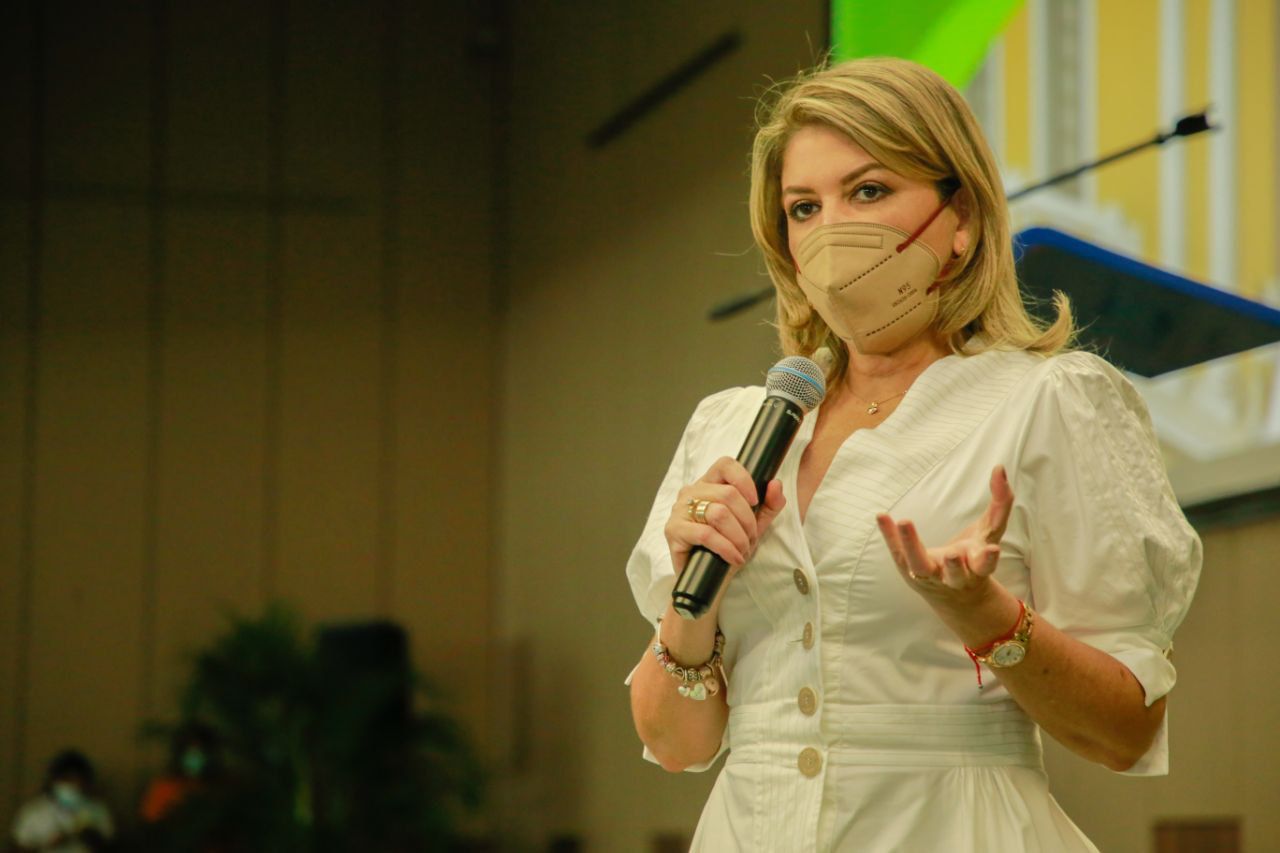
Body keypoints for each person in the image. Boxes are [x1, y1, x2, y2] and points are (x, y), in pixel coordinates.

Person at [625, 57, 1201, 851]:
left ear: (959, 217)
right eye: (803, 207)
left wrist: (987, 616)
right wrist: (690, 609)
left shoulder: (1049, 403)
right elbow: (676, 745)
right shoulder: (731, 426)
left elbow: (1124, 734)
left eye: (867, 191)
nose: (831, 231)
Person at [10, 749, 114, 853]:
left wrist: (87, 835)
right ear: (53, 780)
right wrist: (47, 844)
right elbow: (18, 847)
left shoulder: (97, 810)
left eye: (78, 780)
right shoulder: (34, 811)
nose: (74, 785)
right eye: (67, 779)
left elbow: (109, 846)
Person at [139, 723, 223, 823]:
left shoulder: (220, 789)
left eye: (201, 751)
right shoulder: (163, 789)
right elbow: (150, 823)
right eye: (190, 752)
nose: (195, 757)